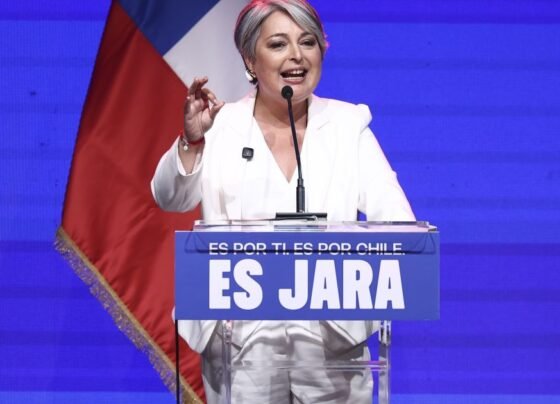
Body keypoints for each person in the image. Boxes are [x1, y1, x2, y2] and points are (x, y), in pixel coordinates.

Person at [151, 0, 415, 402]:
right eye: (278, 44)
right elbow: (170, 197)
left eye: (307, 42)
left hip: (331, 347)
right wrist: (192, 141)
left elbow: (400, 227)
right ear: (250, 59)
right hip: (240, 347)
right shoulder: (220, 126)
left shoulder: (347, 127)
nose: (297, 56)